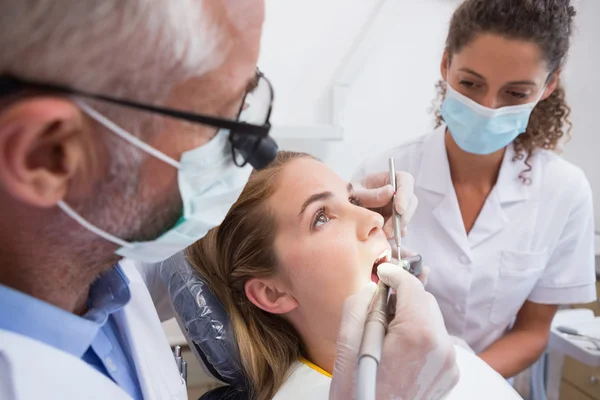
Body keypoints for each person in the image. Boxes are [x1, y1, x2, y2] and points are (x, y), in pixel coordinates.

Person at [0, 1, 452, 399]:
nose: (257, 151)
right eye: (219, 117)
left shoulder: (105, 267)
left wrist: (340, 203)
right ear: (49, 153)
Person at [356, 0, 596, 379]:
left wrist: (461, 386)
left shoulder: (564, 192)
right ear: (445, 65)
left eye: (515, 94)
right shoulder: (382, 175)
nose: (487, 107)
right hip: (389, 378)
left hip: (487, 385)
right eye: (470, 83)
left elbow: (533, 331)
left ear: (549, 85)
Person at [186, 150, 521, 399]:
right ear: (272, 292)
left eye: (352, 199)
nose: (373, 220)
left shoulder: (437, 359)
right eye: (321, 217)